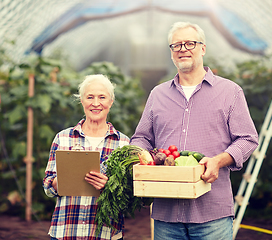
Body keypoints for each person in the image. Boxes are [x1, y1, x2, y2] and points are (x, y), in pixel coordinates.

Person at [130, 22, 259, 240]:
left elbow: (247, 139)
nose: (182, 49)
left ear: (203, 48)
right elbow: (141, 137)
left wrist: (218, 161)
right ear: (171, 53)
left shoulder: (230, 92)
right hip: (166, 213)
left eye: (189, 43)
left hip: (212, 213)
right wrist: (141, 155)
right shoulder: (158, 94)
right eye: (176, 45)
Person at [43, 74, 129, 240]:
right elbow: (47, 185)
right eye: (90, 97)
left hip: (106, 234)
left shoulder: (123, 143)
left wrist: (110, 187)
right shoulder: (63, 138)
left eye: (102, 97)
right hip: (66, 231)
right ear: (82, 101)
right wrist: (59, 182)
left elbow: (129, 196)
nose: (96, 103)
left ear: (111, 102)